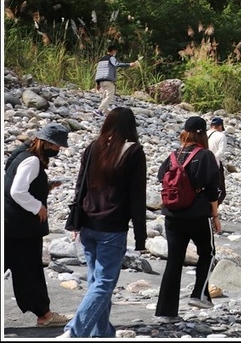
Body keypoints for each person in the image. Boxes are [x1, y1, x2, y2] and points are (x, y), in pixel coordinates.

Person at [63, 107, 147, 338]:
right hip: (113, 227)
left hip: (88, 223)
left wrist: (75, 221)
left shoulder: (93, 147)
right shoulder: (134, 151)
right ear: (131, 126)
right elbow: (137, 197)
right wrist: (141, 237)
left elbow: (81, 185)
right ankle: (75, 330)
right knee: (104, 283)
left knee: (95, 281)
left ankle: (101, 333)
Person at [3, 122, 73, 328]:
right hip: (21, 228)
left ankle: (44, 313)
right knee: (30, 271)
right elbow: (17, 191)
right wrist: (38, 207)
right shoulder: (32, 161)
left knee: (18, 267)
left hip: (9, 224)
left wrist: (46, 187)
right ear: (47, 144)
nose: (58, 150)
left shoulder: (20, 154)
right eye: (57, 146)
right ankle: (45, 315)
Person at [155, 116, 222, 321]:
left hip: (172, 215)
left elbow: (161, 177)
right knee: (207, 252)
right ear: (203, 133)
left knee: (174, 261)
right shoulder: (205, 155)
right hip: (197, 215)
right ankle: (199, 294)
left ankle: (166, 312)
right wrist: (215, 215)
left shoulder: (173, 155)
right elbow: (213, 190)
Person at [94, 44, 140, 113]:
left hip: (100, 81)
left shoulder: (101, 60)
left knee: (104, 96)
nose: (115, 53)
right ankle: (99, 110)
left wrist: (97, 83)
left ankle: (105, 111)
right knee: (109, 97)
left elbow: (99, 71)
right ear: (113, 51)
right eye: (115, 51)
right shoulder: (111, 58)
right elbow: (117, 64)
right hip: (108, 80)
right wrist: (129, 64)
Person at [207, 116, 228, 206]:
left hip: (201, 164)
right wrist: (213, 160)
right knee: (220, 191)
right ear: (220, 126)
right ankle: (213, 211)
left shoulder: (204, 134)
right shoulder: (221, 136)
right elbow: (221, 151)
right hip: (215, 165)